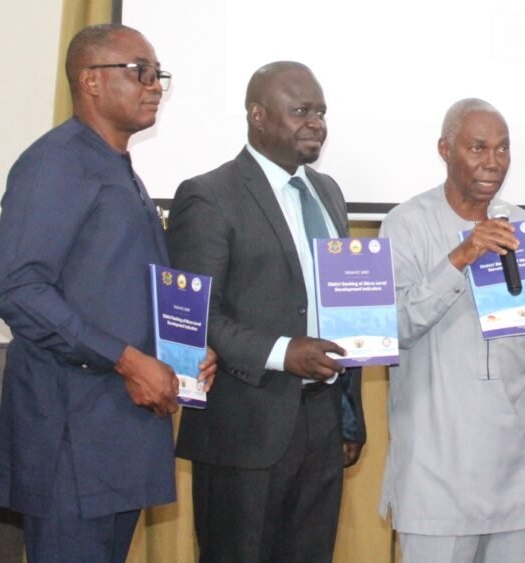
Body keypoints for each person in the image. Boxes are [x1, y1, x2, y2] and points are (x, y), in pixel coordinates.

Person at [0, 23, 216, 562]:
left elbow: (112, 290)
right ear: (90, 80)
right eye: (141, 71)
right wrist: (127, 360)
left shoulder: (120, 169)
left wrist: (181, 355)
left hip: (118, 436)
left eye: (159, 74)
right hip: (71, 440)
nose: (155, 84)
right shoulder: (57, 162)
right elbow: (15, 287)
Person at [166, 61, 366, 562]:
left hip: (321, 419)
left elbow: (340, 305)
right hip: (244, 426)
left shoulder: (328, 192)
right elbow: (196, 316)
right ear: (257, 115)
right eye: (301, 111)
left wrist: (347, 418)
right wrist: (282, 353)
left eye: (320, 112)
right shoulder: (209, 195)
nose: (316, 123)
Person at [377, 98, 525, 563]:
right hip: (436, 468)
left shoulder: (523, 225)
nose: (493, 162)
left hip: (514, 463)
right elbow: (394, 326)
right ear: (445, 149)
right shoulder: (405, 224)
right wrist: (460, 258)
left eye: (503, 149)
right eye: (478, 148)